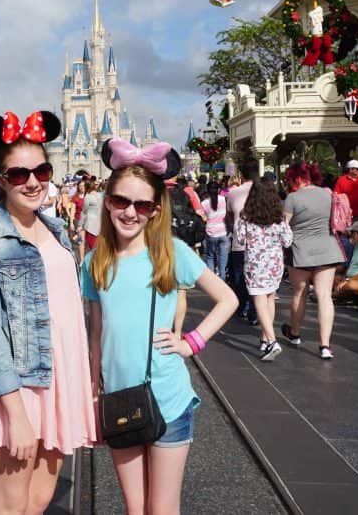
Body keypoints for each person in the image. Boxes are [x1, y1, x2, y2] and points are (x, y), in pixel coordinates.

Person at [84, 137, 238, 514]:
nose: (130, 212)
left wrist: (191, 342)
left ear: (155, 210)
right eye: (121, 201)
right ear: (107, 202)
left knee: (162, 508)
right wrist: (91, 392)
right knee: (135, 508)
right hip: (119, 398)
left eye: (142, 204)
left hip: (167, 398)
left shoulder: (171, 253)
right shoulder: (95, 261)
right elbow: (97, 332)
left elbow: (228, 299)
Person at [0, 109, 96, 514]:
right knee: (10, 507)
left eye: (42, 170)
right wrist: (16, 413)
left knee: (38, 501)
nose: (33, 181)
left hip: (58, 382)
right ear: (0, 180)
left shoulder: (54, 228)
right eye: (19, 174)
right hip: (17, 387)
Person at [282, 162, 343, 360]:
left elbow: (285, 226)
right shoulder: (328, 194)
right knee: (324, 296)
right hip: (327, 249)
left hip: (300, 251)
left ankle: (295, 333)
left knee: (299, 294)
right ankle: (325, 345)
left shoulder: (292, 198)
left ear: (296, 178)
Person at [234, 180, 293, 362]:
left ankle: (272, 341)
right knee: (269, 298)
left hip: (255, 264)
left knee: (259, 300)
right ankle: (265, 337)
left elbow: (241, 239)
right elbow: (288, 240)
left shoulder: (245, 217)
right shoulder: (279, 217)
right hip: (274, 263)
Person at [226, 159, 258, 323]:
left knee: (240, 278)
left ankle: (246, 307)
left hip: (240, 242)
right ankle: (252, 309)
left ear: (242, 175)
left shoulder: (234, 193)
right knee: (255, 277)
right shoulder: (265, 191)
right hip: (260, 244)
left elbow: (230, 215)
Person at [201, 181, 230, 280]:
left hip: (211, 233)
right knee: (223, 257)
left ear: (208, 191)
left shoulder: (204, 203)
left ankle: (212, 279)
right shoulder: (224, 200)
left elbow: (203, 218)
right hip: (223, 232)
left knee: (210, 256)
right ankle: (223, 278)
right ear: (218, 190)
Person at [78, 178, 104, 252]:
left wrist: (80, 225)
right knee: (99, 247)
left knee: (92, 248)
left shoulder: (88, 197)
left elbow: (84, 212)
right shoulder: (101, 195)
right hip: (101, 225)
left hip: (90, 226)